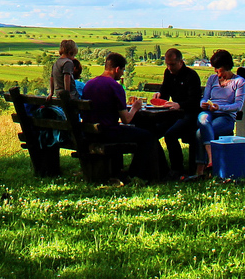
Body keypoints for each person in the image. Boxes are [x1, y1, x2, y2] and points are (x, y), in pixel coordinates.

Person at [81, 52, 162, 183]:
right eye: (123, 70)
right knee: (148, 137)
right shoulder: (115, 86)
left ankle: (123, 172)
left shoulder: (89, 84)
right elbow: (126, 119)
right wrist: (136, 107)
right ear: (117, 69)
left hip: (90, 132)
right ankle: (136, 174)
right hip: (108, 132)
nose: (123, 74)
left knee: (137, 133)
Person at [191, 49, 245, 178]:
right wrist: (203, 103)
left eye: (218, 68)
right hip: (209, 113)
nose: (216, 71)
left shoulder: (239, 82)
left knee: (200, 132)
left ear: (226, 67)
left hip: (225, 117)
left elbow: (238, 105)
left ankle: (200, 169)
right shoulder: (212, 79)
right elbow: (205, 98)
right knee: (203, 120)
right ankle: (211, 158)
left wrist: (219, 107)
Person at [156, 48, 203, 177]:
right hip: (174, 113)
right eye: (167, 64)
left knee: (170, 135)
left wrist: (180, 105)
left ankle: (177, 169)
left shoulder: (191, 76)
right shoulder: (168, 73)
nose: (169, 67)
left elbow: (194, 101)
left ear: (181, 62)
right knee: (153, 130)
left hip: (190, 114)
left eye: (172, 64)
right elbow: (164, 91)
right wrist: (159, 97)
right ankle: (159, 167)